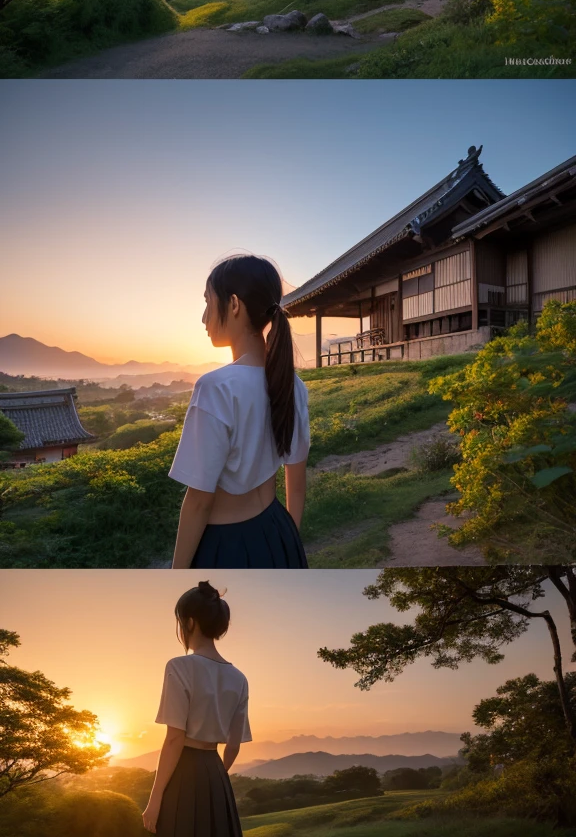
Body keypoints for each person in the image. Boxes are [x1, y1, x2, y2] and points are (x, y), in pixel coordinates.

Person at [170, 254, 310, 568]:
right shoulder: (293, 385)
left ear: (234, 304)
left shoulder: (216, 388)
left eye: (208, 302)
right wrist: (289, 542)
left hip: (226, 543)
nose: (204, 317)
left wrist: (175, 575)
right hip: (279, 531)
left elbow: (199, 503)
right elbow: (296, 480)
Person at [142, 581, 250, 836]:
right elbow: (233, 745)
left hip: (184, 771)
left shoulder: (179, 666)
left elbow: (174, 739)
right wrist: (215, 776)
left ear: (190, 622)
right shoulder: (239, 677)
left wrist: (154, 799)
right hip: (215, 771)